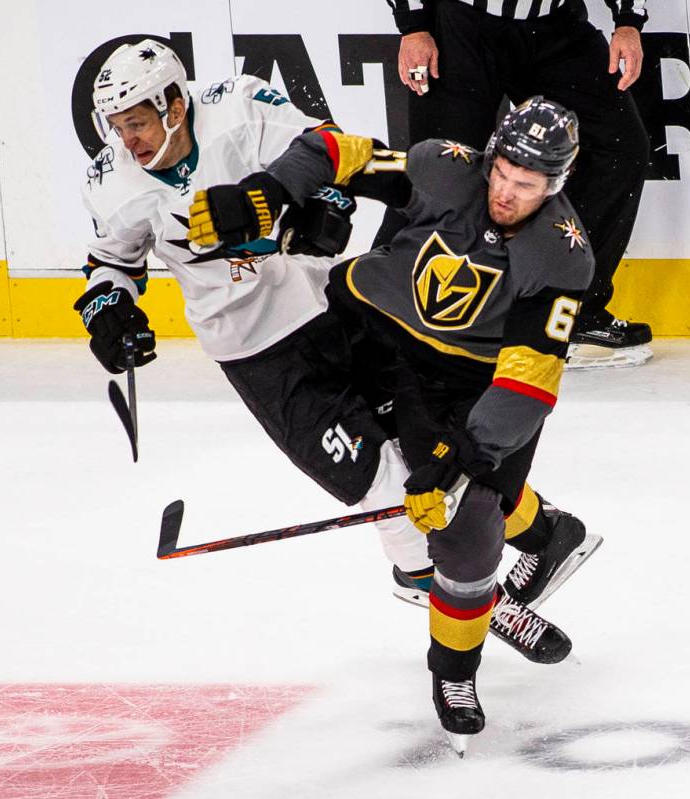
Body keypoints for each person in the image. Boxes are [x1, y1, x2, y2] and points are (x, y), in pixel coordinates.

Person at [73, 40, 584, 674]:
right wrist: (109, 312)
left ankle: (533, 533)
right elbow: (110, 265)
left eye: (139, 123)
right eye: (119, 129)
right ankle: (465, 588)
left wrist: (319, 213)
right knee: (378, 483)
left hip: (333, 300)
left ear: (174, 102)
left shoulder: (238, 106)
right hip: (257, 350)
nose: (131, 142)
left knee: (433, 450)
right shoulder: (111, 182)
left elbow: (329, 154)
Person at [202, 95, 598, 753]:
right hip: (369, 330)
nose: (503, 190)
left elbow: (526, 384)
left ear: (555, 183)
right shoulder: (446, 169)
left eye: (524, 184)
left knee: (466, 534)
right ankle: (549, 530)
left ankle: (453, 674)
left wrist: (461, 460)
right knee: (402, 479)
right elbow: (337, 154)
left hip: (469, 385)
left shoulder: (562, 257)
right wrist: (266, 193)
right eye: (500, 171)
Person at [381, 0, 653, 368]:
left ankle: (570, 313)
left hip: (558, 26)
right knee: (440, 172)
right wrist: (414, 25)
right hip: (462, 28)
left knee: (617, 147)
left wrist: (628, 22)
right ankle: (381, 320)